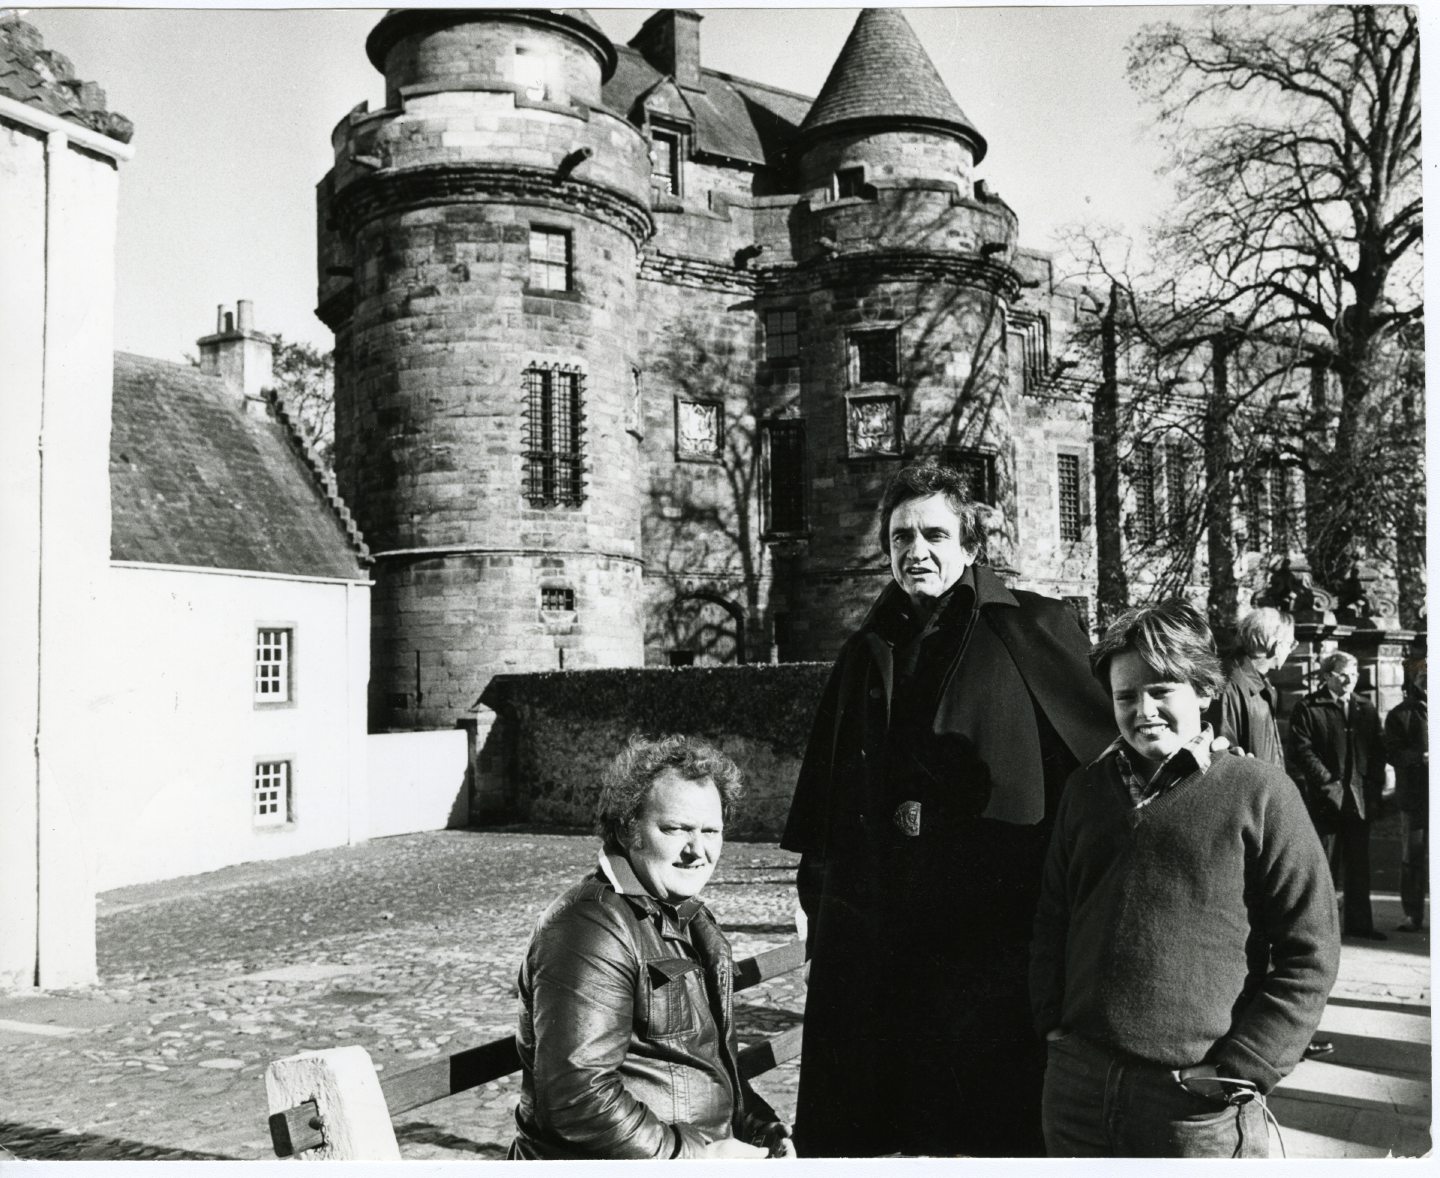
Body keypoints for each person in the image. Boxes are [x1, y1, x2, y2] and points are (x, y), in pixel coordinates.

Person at [780, 458, 1115, 1157]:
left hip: (994, 943)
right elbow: (830, 812)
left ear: (969, 545)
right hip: (886, 941)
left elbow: (1099, 779)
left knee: (994, 1130)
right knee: (887, 1123)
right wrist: (825, 909)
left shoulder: (1035, 628)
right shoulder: (866, 649)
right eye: (901, 538)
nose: (916, 552)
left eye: (933, 534)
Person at [1030, 601, 1339, 1158]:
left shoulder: (1259, 792)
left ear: (1203, 690)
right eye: (1126, 696)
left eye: (1161, 689)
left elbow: (1311, 949)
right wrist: (1055, 1032)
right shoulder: (1086, 791)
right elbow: (1054, 917)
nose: (1143, 710)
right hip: (1078, 1092)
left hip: (1194, 1106)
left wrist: (1242, 1067)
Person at [509, 735, 794, 1160]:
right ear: (628, 828)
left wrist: (760, 1129)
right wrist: (700, 1158)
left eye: (711, 831)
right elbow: (576, 1101)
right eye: (676, 828)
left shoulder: (688, 915)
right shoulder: (589, 926)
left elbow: (708, 1065)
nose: (697, 851)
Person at [1205, 608, 1333, 1059]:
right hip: (1249, 827)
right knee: (1256, 935)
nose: (1291, 650)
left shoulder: (1260, 687)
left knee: (1280, 929)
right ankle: (1254, 1039)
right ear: (1271, 643)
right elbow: (1223, 760)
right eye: (1288, 641)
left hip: (1271, 821)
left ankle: (1282, 1034)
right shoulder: (1233, 687)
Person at [1288, 651, 1388, 940]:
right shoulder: (1309, 707)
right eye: (1343, 674)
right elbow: (1301, 750)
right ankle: (1321, 930)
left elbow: (1378, 751)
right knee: (1324, 866)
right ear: (1327, 675)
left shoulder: (1365, 708)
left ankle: (1359, 925)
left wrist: (1373, 787)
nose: (1349, 680)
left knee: (1359, 863)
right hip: (1325, 800)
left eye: (1354, 674)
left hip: (1358, 799)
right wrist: (1327, 784)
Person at [1205, 606, 1296, 766]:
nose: (1290, 650)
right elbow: (1221, 757)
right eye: (1290, 643)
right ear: (1275, 645)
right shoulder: (1230, 684)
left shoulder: (1258, 681)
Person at [1385, 657, 1428, 933]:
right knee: (1413, 856)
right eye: (1423, 676)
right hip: (1415, 797)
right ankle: (1413, 914)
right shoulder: (1400, 714)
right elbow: (1391, 752)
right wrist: (1420, 757)